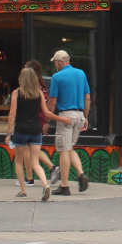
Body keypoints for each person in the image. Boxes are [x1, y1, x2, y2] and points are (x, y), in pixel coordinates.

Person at [6, 66, 55, 202]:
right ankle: (45, 184)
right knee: (35, 163)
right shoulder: (39, 93)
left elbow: (12, 114)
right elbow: (45, 112)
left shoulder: (17, 93)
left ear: (21, 78)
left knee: (19, 161)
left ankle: (23, 190)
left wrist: (9, 133)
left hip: (21, 131)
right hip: (36, 130)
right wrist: (60, 119)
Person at [47, 49, 90, 196]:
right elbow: (87, 97)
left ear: (60, 62)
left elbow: (52, 102)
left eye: (55, 63)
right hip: (79, 114)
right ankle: (81, 174)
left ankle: (64, 186)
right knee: (70, 147)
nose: (55, 66)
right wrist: (85, 117)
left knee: (63, 151)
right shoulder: (81, 73)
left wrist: (47, 117)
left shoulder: (57, 77)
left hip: (66, 116)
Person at [20, 59, 57, 184]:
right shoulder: (41, 84)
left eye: (26, 67)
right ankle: (48, 170)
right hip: (38, 119)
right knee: (32, 149)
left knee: (28, 149)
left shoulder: (33, 86)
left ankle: (31, 177)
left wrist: (47, 121)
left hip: (33, 120)